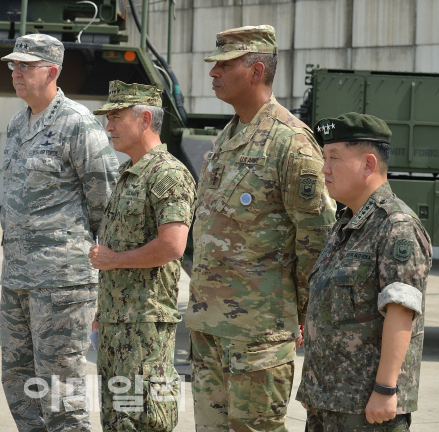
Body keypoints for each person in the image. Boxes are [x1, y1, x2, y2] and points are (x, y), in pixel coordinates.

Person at [185, 25, 337, 432]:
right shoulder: (229, 135)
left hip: (259, 332)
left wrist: (301, 313)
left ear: (255, 72)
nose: (213, 73)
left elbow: (317, 238)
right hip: (210, 327)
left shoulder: (290, 143)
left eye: (224, 65)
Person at [0, 34, 119, 431]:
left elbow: (106, 202)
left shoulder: (77, 123)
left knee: (60, 393)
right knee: (19, 383)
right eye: (14, 65)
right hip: (17, 277)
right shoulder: (18, 123)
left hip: (61, 283)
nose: (16, 73)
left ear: (52, 72)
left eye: (26, 66)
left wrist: (104, 280)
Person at [296, 113, 431, 432]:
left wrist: (385, 389)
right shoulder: (345, 224)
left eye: (334, 158)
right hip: (329, 401)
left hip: (366, 409)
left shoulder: (395, 227)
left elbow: (401, 312)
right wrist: (315, 384)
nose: (324, 168)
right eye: (323, 158)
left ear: (368, 164)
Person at [88, 80, 196, 432]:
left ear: (145, 118)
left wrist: (114, 260)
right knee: (117, 420)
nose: (109, 127)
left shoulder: (168, 174)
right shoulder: (128, 173)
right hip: (117, 323)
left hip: (144, 329)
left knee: (145, 420)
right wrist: (102, 313)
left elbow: (173, 245)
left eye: (117, 117)